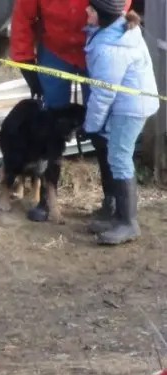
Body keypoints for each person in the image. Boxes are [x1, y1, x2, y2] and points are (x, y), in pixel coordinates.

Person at [8, 0, 132, 224]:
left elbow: (119, 5)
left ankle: (111, 201)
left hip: (97, 43)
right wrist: (25, 61)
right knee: (49, 126)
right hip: (55, 49)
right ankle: (47, 199)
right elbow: (21, 18)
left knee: (103, 126)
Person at [82, 2, 159, 244]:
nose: (86, 12)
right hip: (130, 102)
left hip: (130, 108)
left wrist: (90, 126)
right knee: (117, 156)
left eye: (91, 10)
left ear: (104, 15)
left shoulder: (112, 49)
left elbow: (104, 93)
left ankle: (128, 223)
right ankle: (117, 216)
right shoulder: (119, 28)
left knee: (119, 158)